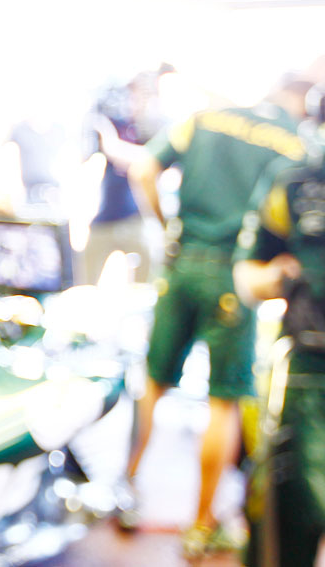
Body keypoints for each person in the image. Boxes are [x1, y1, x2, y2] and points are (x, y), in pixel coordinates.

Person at [123, 73, 311, 557]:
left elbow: (143, 167)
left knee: (155, 381)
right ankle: (202, 526)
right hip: (234, 275)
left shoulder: (205, 119)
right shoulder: (295, 145)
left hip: (182, 261)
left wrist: (168, 226)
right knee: (224, 401)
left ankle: (124, 490)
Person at [232, 108, 325, 567]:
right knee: (285, 528)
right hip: (308, 373)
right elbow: (249, 276)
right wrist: (279, 275)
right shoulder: (293, 180)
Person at [79, 71, 166, 286]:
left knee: (149, 282)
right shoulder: (114, 122)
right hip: (106, 216)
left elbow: (146, 162)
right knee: (82, 278)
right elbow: (85, 157)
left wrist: (112, 143)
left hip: (137, 219)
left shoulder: (153, 128)